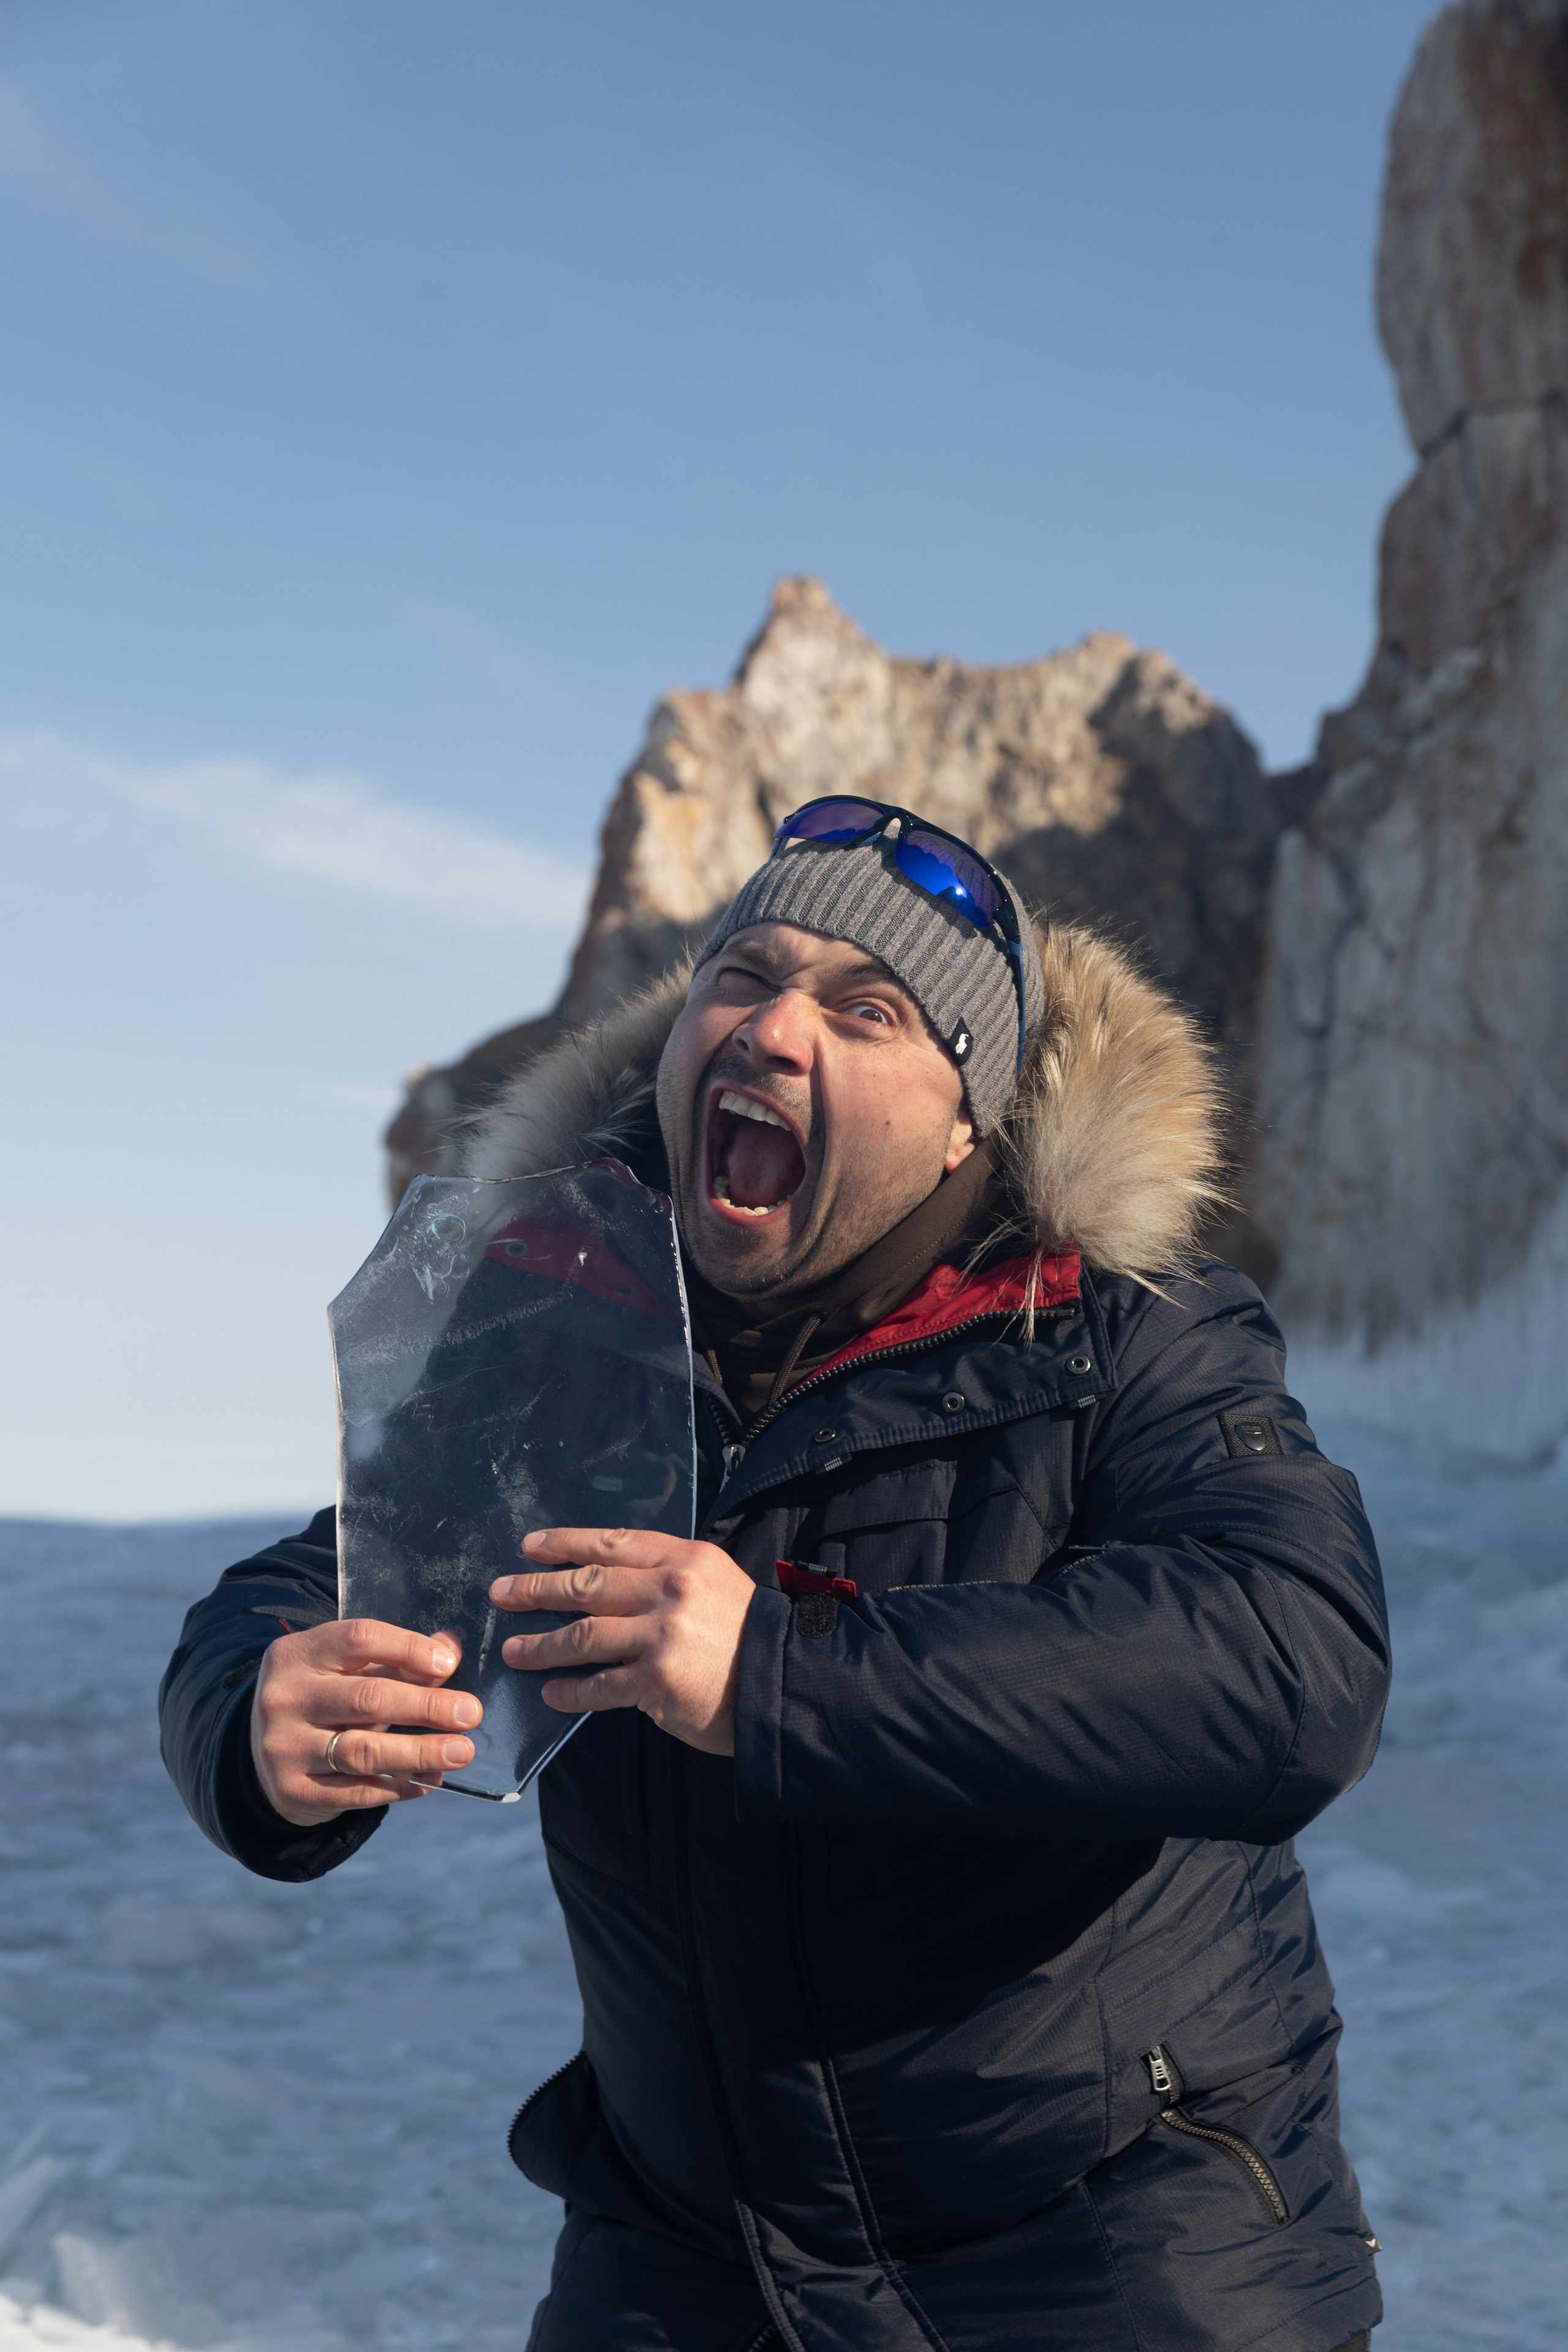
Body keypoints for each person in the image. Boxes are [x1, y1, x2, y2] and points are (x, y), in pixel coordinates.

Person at [160, 801, 1389, 2352]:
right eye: (741, 978)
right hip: (692, 2255)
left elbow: (1289, 1662)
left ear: (965, 1124)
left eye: (866, 1011)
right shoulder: (559, 1334)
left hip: (1108, 2247)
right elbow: (330, 1574)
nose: (771, 1028)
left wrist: (773, 1672)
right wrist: (253, 1715)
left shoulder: (1122, 1329)